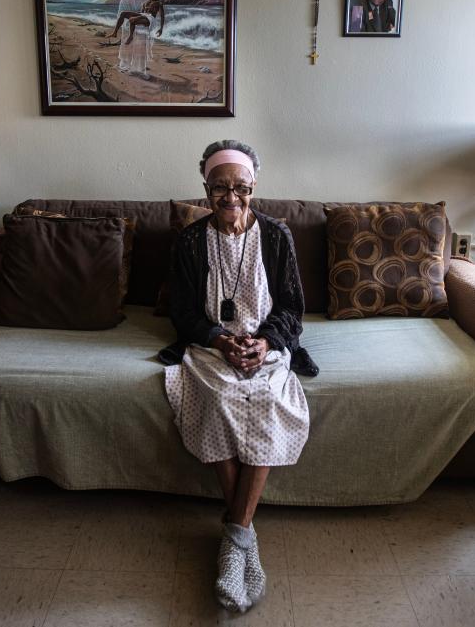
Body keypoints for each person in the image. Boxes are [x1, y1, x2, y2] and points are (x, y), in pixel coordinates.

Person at [159, 140, 319, 612]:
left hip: (266, 346)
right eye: (219, 188)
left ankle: (234, 539)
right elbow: (182, 311)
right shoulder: (190, 241)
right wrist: (218, 339)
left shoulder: (276, 236)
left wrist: (266, 342)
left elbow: (292, 307)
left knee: (266, 398)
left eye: (240, 187)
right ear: (205, 188)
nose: (231, 198)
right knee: (218, 398)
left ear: (254, 186)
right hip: (213, 347)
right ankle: (242, 539)